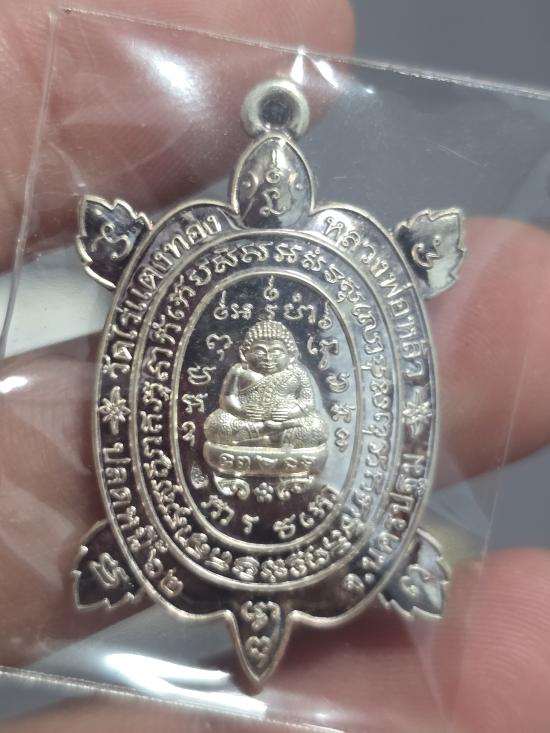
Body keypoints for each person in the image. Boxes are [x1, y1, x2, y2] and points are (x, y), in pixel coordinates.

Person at [2, 1, 550, 731]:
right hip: (233, 454)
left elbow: (314, 416)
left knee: (311, 433)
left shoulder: (295, 363)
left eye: (272, 349)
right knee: (221, 427)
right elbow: (219, 414)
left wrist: (288, 418)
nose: (264, 354)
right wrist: (242, 414)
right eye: (257, 347)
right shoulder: (238, 363)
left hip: (292, 453)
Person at [204, 320, 328, 450]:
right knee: (215, 424)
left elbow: (307, 402)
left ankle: (263, 439)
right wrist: (242, 411)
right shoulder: (239, 371)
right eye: (260, 351)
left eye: (276, 352)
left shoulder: (297, 372)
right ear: (244, 354)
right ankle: (268, 435)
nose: (268, 358)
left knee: (317, 427)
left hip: (286, 423)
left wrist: (290, 413)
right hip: (248, 422)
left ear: (291, 356)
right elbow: (227, 397)